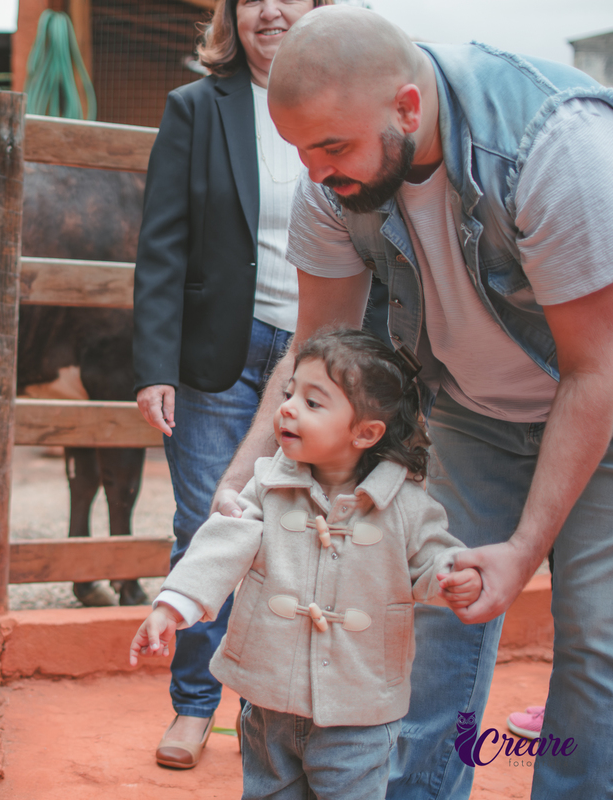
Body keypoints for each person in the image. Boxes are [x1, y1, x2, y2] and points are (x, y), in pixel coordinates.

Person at [209, 6, 613, 798]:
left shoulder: (556, 149)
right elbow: (314, 350)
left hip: (604, 403)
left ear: (407, 108)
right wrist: (244, 477)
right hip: (474, 410)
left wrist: (525, 549)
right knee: (432, 620)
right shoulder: (333, 176)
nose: (317, 174)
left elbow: (595, 369)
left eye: (332, 148)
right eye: (301, 151)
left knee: (598, 640)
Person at [131, 328, 483, 799]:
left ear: (366, 432)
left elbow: (433, 560)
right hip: (269, 703)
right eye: (289, 392)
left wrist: (451, 577)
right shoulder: (268, 484)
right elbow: (221, 546)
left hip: (359, 710)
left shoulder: (406, 506)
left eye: (313, 403)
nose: (288, 408)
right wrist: (171, 607)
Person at [132, 0, 330, 768]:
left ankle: (266, 711)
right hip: (216, 354)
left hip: (317, 356)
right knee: (205, 524)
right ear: (232, 13)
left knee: (293, 536)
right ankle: (193, 706)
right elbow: (161, 245)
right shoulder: (196, 109)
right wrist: (155, 366)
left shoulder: (338, 100)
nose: (271, 10)